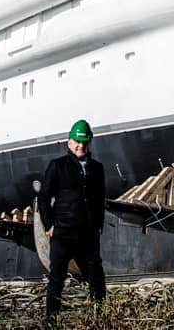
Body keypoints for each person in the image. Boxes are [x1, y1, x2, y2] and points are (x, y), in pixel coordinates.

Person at [38, 119, 107, 319]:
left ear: (90, 143)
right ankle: (51, 320)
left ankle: (101, 318)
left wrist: (98, 225)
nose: (80, 146)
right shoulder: (57, 166)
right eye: (77, 141)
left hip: (87, 234)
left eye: (84, 142)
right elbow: (43, 197)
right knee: (56, 280)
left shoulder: (97, 168)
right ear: (69, 142)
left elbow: (99, 198)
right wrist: (49, 225)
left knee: (96, 279)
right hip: (63, 232)